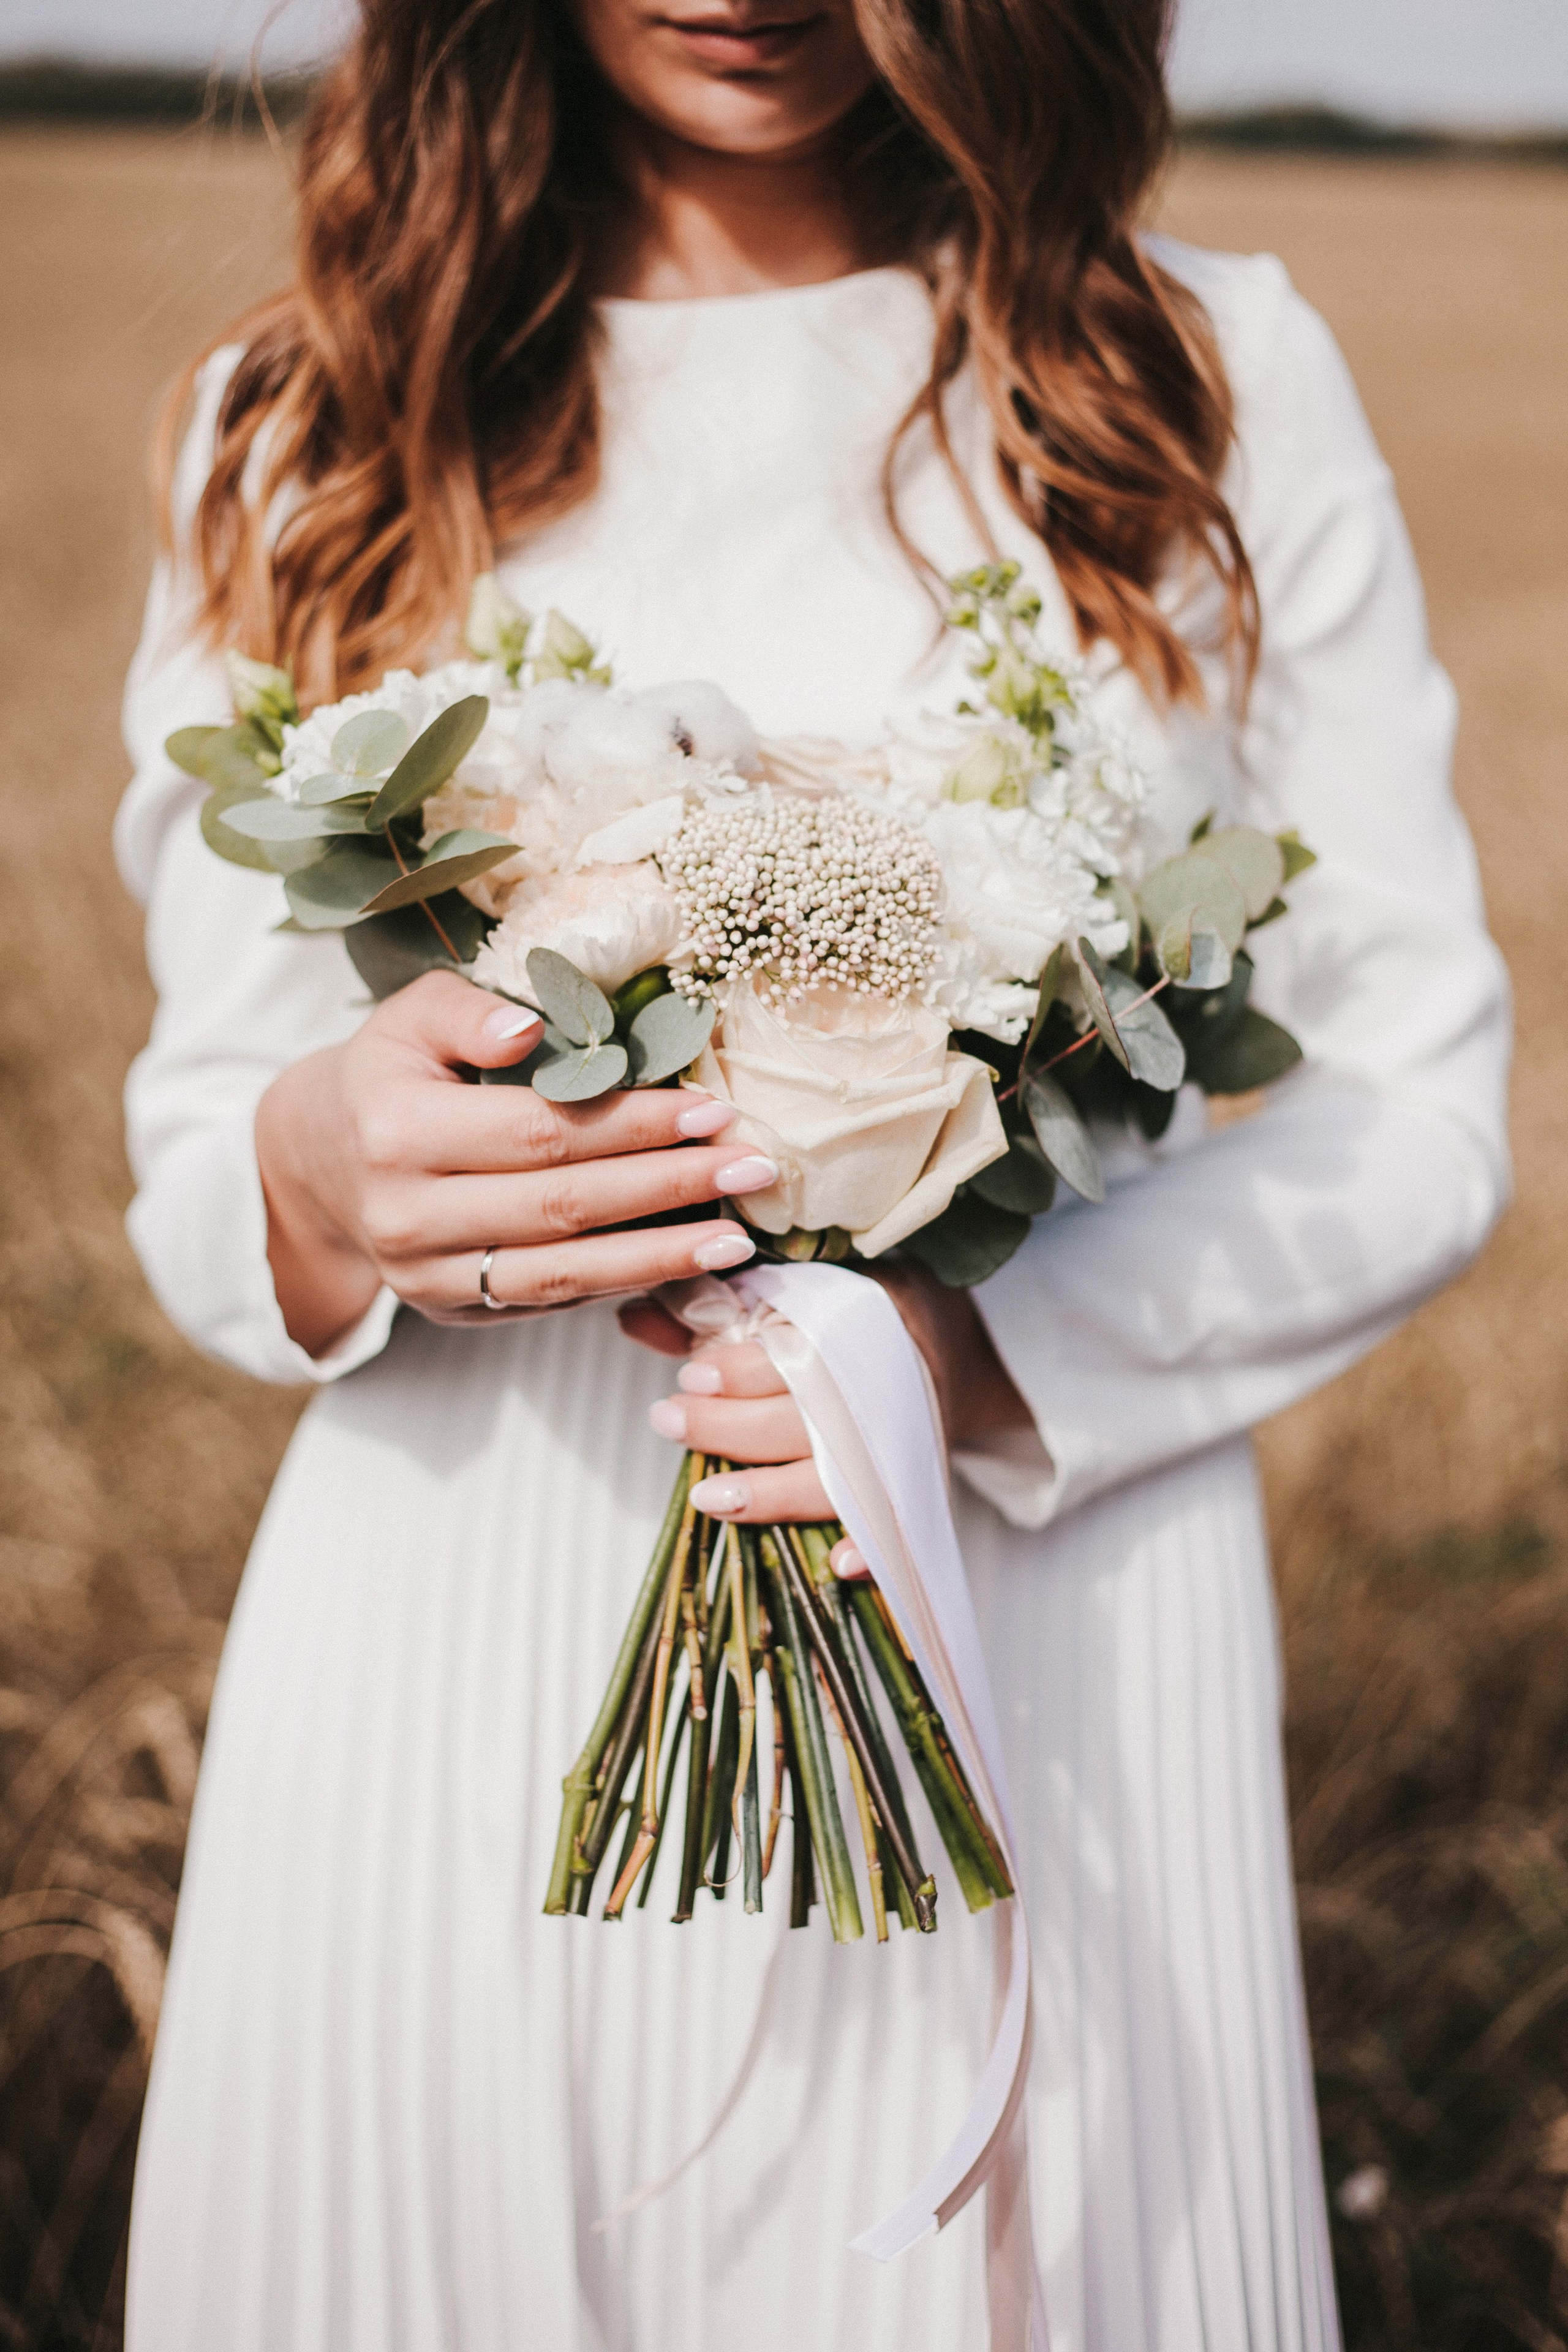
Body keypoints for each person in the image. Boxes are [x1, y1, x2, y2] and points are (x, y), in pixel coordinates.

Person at [115, 0, 1511, 2345]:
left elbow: (1416, 1100)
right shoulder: (309, 419)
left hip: (1033, 1636)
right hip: (462, 1628)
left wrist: (976, 1348)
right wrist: (320, 1168)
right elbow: (199, 1150)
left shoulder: (1202, 379)